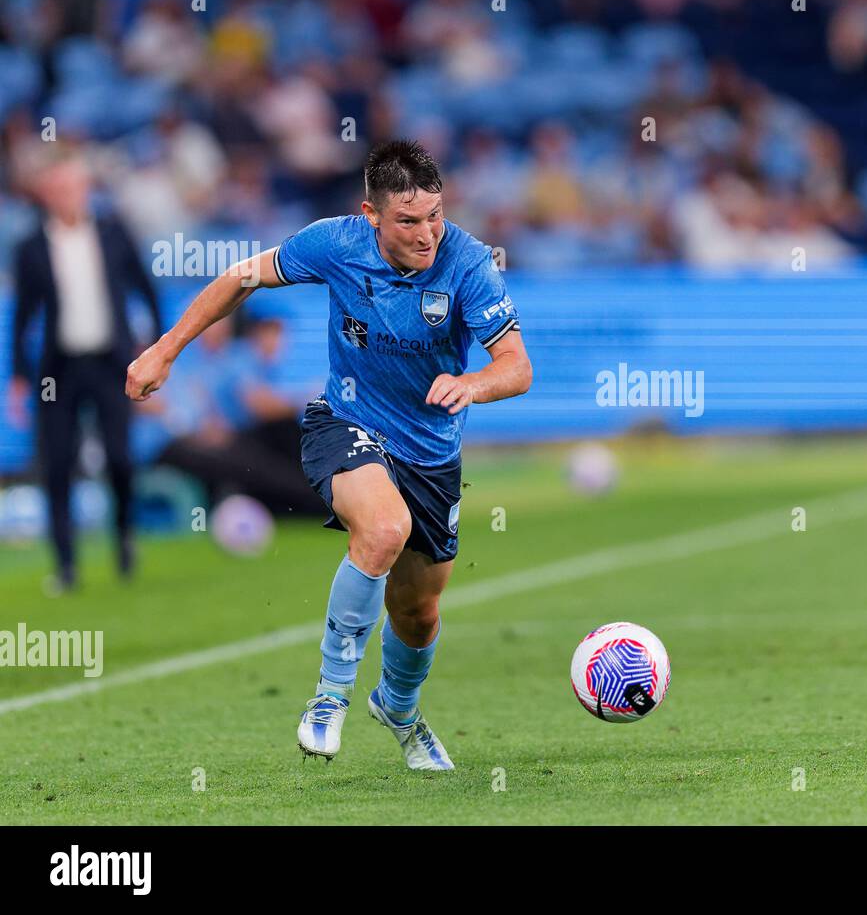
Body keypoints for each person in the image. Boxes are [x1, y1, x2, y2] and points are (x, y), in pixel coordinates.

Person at [125, 140, 531, 770]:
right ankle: (330, 694)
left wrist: (472, 383)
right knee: (383, 529)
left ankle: (397, 706)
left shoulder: (469, 264)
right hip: (345, 421)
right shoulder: (334, 243)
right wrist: (166, 350)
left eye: (435, 216)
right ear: (370, 214)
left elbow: (517, 367)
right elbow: (240, 277)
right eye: (408, 221)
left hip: (432, 455)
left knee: (419, 612)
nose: (427, 234)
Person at [9, 147, 162, 591]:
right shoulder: (32, 246)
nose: (67, 195)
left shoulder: (113, 233)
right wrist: (20, 379)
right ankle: (66, 563)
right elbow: (23, 317)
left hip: (112, 364)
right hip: (59, 370)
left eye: (73, 186)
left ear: (86, 189)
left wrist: (154, 349)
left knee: (119, 458)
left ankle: (125, 540)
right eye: (57, 188)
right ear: (45, 194)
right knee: (56, 463)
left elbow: (145, 290)